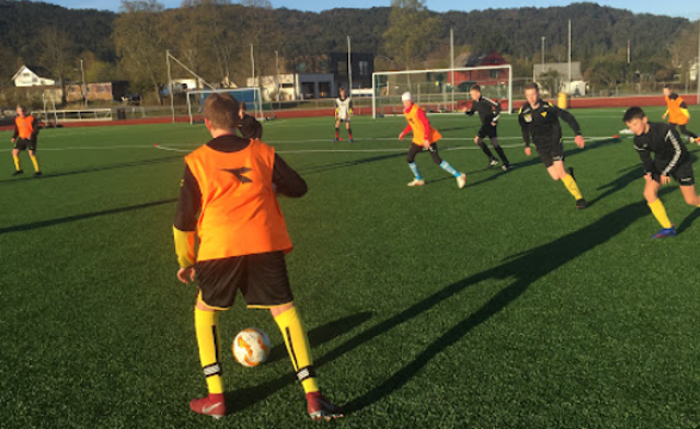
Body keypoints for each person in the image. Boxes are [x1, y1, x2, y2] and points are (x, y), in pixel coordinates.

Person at [173, 93, 343, 421]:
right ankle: (313, 396)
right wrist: (273, 187)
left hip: (218, 248)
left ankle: (216, 398)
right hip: (264, 243)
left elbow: (183, 219)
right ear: (238, 119)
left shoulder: (196, 161)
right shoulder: (262, 152)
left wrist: (185, 261)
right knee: (285, 312)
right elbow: (298, 186)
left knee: (205, 312)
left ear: (206, 123)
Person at [623, 106, 700, 238]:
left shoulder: (665, 130)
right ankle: (668, 228)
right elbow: (646, 160)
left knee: (691, 200)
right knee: (648, 193)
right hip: (661, 163)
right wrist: (648, 172)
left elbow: (680, 152)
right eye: (630, 126)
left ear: (644, 120)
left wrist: (666, 172)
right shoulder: (638, 140)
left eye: (635, 124)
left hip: (681, 163)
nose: (633, 129)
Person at [518, 83, 587, 209]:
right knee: (556, 177)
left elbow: (567, 116)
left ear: (538, 93)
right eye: (528, 95)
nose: (531, 98)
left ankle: (580, 199)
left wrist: (577, 133)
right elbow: (524, 129)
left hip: (555, 142)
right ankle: (569, 176)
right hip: (541, 147)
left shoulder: (547, 107)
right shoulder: (523, 112)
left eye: (533, 94)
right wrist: (527, 144)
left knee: (560, 173)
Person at [399, 92, 466, 188]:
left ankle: (459, 175)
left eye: (407, 101)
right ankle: (419, 179)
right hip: (418, 139)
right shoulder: (406, 111)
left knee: (436, 160)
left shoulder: (418, 110)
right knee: (409, 158)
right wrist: (404, 132)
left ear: (411, 100)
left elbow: (427, 124)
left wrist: (426, 139)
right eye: (404, 101)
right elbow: (412, 122)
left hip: (428, 138)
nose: (405, 103)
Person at [461, 84, 512, 170]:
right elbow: (472, 113)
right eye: (471, 94)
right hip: (485, 124)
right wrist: (466, 112)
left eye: (473, 94)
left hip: (489, 124)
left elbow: (498, 107)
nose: (471, 96)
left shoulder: (485, 100)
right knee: (494, 143)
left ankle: (493, 158)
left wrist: (494, 120)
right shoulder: (475, 103)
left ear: (478, 93)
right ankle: (506, 162)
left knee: (478, 140)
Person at [10, 105, 42, 177]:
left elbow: (36, 129)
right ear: (17, 112)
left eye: (23, 111)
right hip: (21, 139)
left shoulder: (31, 118)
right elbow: (16, 129)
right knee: (14, 152)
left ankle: (38, 171)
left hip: (30, 139)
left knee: (31, 154)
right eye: (20, 111)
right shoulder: (17, 119)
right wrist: (14, 137)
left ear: (25, 111)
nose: (22, 113)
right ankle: (19, 169)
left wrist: (32, 135)